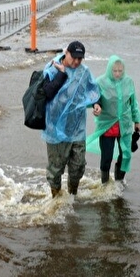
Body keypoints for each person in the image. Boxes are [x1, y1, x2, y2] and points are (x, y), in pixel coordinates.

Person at [42, 40, 102, 198]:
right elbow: (46, 93)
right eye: (73, 57)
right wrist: (61, 74)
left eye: (79, 59)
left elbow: (93, 89)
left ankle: (72, 197)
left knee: (78, 166)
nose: (76, 62)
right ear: (66, 53)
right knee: (55, 169)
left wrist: (96, 103)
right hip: (55, 129)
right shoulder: (52, 68)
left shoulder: (84, 72)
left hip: (77, 128)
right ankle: (56, 199)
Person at [87, 55, 140, 184]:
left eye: (120, 71)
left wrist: (137, 121)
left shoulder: (129, 82)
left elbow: (133, 103)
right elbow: (94, 98)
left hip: (125, 124)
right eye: (114, 71)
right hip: (107, 125)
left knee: (125, 155)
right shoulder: (100, 82)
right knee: (106, 157)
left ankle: (119, 181)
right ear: (109, 69)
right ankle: (105, 183)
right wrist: (96, 107)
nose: (117, 74)